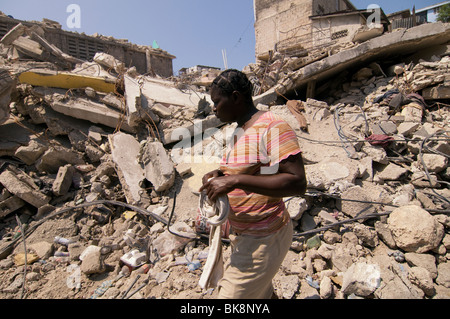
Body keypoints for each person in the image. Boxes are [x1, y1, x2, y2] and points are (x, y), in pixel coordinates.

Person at [199, 69, 307, 299]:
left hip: (265, 238)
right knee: (261, 295)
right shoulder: (240, 130)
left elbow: (297, 182)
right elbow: (253, 169)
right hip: (244, 237)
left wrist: (234, 180)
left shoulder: (273, 126)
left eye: (217, 101)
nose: (214, 108)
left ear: (236, 97)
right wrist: (219, 173)